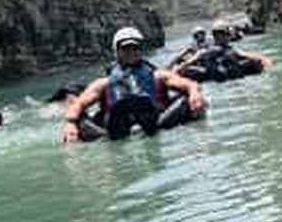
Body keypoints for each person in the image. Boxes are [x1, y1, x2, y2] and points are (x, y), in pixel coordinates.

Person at [62, 27, 206, 144]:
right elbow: (79, 104)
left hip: (157, 122)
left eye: (135, 48)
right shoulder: (103, 83)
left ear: (140, 50)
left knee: (190, 99)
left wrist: (194, 93)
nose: (131, 52)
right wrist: (70, 123)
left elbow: (189, 84)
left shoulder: (159, 76)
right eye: (125, 49)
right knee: (78, 116)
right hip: (116, 130)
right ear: (117, 52)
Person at [178, 20, 272, 83]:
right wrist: (181, 67)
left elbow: (246, 55)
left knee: (254, 62)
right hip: (216, 77)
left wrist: (263, 59)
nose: (200, 36)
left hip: (226, 77)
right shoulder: (205, 50)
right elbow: (192, 59)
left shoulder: (229, 50)